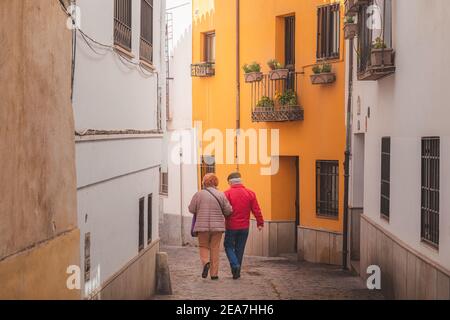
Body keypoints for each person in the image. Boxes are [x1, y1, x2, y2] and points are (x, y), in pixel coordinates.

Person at [188, 173, 232, 280]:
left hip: (202, 227)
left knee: (203, 246)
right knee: (215, 249)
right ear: (216, 182)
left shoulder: (198, 194)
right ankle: (214, 274)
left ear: (204, 182)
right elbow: (228, 211)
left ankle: (206, 262)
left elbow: (191, 209)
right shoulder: (221, 195)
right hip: (217, 227)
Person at [224, 172, 264, 279]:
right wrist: (260, 223)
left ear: (230, 182)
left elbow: (224, 210)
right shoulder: (250, 193)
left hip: (231, 226)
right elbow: (256, 209)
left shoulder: (227, 194)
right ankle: (237, 272)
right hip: (245, 227)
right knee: (240, 249)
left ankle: (235, 265)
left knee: (228, 246)